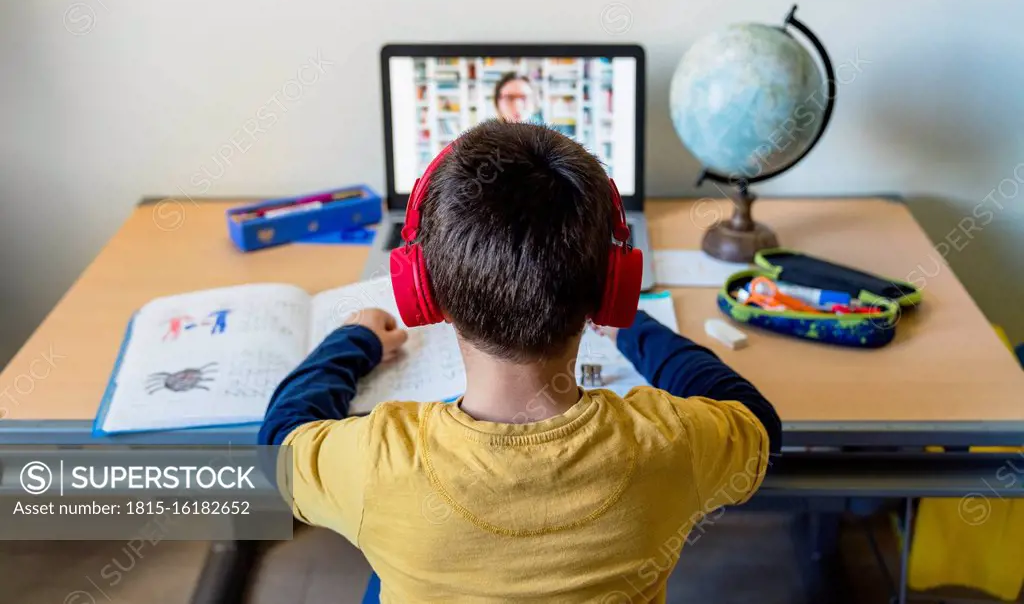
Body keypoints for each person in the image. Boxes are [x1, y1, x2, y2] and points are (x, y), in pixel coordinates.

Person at [258, 120, 781, 602]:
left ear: (422, 291)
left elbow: (279, 445)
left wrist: (355, 339)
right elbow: (757, 422)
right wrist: (636, 327)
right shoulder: (671, 444)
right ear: (611, 288)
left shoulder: (379, 464)